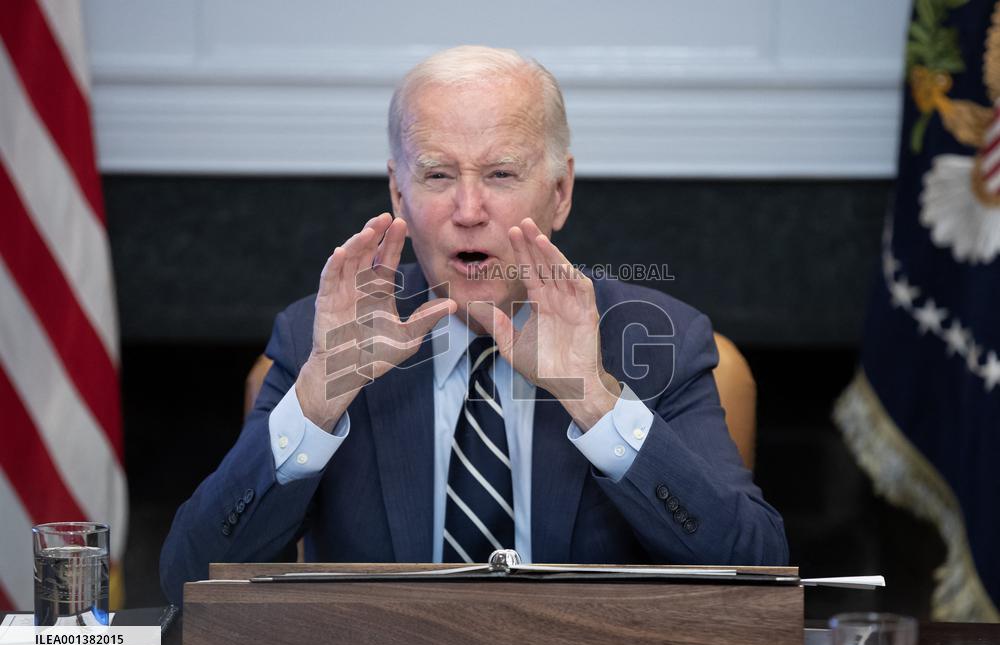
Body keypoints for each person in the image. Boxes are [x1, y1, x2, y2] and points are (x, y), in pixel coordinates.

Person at [159, 45, 787, 605]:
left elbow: (756, 572)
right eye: (437, 175)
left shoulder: (654, 340)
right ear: (399, 195)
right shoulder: (319, 338)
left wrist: (597, 402)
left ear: (560, 192)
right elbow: (189, 582)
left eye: (500, 174)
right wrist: (317, 404)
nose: (467, 210)